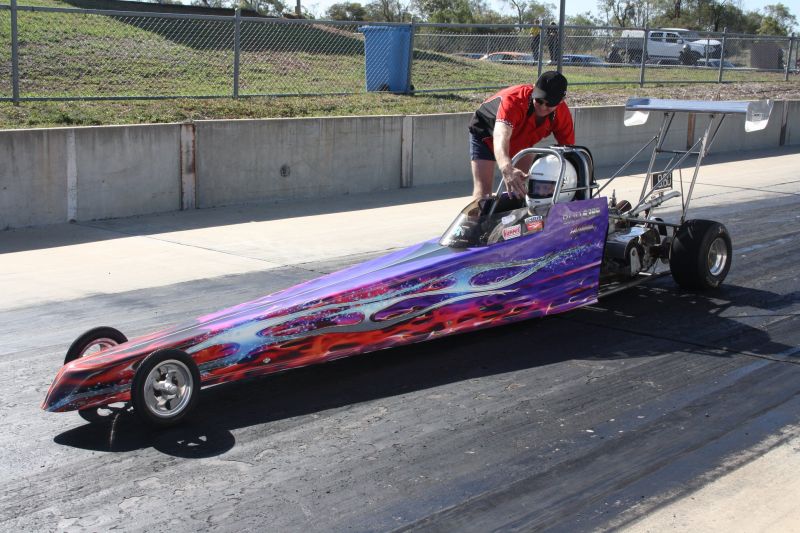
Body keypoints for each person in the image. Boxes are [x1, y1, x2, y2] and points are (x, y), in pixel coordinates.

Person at [467, 71, 575, 199]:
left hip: (520, 141)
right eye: (539, 100)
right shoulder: (514, 100)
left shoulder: (562, 115)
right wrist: (507, 168)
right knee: (483, 195)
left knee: (522, 190)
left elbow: (570, 152)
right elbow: (501, 135)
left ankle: (516, 218)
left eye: (550, 104)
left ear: (561, 101)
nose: (543, 107)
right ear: (534, 89)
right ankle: (476, 219)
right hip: (487, 137)